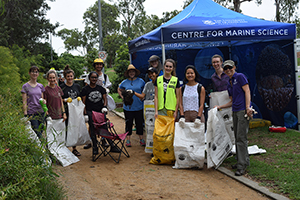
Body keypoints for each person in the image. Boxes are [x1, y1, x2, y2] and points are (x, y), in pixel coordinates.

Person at [215, 60, 253, 176]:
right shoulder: (229, 82)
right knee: (237, 137)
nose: (228, 70)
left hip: (242, 111)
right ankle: (243, 160)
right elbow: (231, 101)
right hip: (235, 111)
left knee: (241, 138)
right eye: (225, 68)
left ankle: (241, 166)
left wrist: (248, 107)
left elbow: (247, 91)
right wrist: (220, 106)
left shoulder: (240, 77)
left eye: (230, 68)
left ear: (234, 67)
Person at [81, 72, 120, 155]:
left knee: (104, 127)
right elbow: (83, 102)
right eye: (92, 77)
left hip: (100, 110)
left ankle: (112, 145)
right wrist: (85, 113)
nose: (94, 79)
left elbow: (104, 98)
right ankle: (95, 147)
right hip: (90, 111)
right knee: (92, 128)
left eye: (95, 77)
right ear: (89, 78)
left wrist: (105, 106)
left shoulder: (100, 88)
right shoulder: (85, 89)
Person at [83, 58, 112, 149]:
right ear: (94, 66)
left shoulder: (105, 76)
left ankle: (103, 140)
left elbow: (106, 86)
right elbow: (86, 88)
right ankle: (90, 141)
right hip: (91, 102)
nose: (99, 66)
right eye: (97, 64)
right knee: (91, 124)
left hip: (100, 103)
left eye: (100, 64)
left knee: (102, 123)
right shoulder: (90, 75)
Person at [118, 64, 145, 147]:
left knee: (139, 123)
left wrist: (141, 96)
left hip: (138, 106)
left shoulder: (141, 81)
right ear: (128, 73)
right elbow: (119, 88)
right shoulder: (124, 82)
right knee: (128, 123)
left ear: (135, 72)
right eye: (130, 72)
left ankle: (141, 138)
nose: (132, 73)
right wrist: (122, 96)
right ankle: (128, 139)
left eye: (133, 71)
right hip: (128, 107)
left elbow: (144, 90)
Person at [60, 65, 82, 156]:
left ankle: (74, 148)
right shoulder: (62, 87)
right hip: (66, 110)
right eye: (68, 76)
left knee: (74, 128)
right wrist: (64, 100)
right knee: (66, 128)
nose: (70, 78)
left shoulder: (77, 86)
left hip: (74, 110)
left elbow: (79, 95)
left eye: (71, 76)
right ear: (65, 77)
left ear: (73, 76)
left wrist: (79, 99)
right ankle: (65, 148)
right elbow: (59, 99)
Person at [21, 66, 46, 139]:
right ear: (29, 73)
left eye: (36, 72)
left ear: (38, 74)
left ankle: (39, 148)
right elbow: (24, 101)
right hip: (31, 112)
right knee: (36, 132)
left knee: (41, 131)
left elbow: (42, 99)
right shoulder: (25, 86)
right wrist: (25, 113)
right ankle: (43, 147)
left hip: (41, 112)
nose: (34, 73)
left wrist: (44, 101)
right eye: (33, 71)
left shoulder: (40, 86)